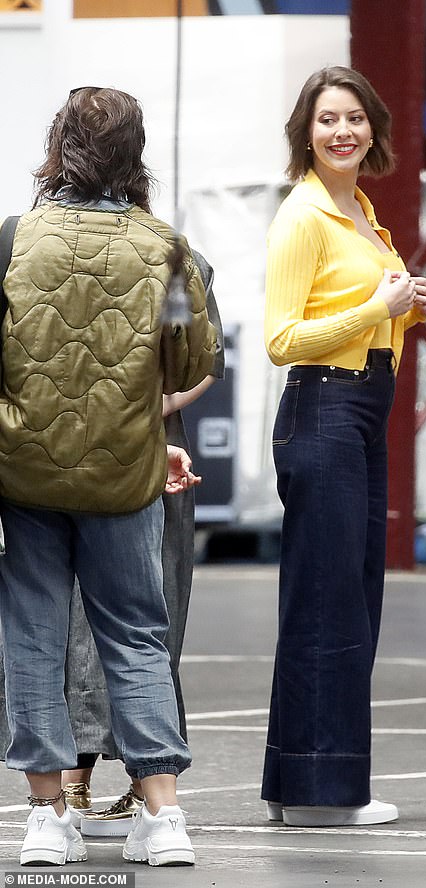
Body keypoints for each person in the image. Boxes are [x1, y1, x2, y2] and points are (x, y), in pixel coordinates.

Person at [0, 86, 217, 867]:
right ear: (137, 154)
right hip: (127, 473)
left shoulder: (15, 237)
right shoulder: (165, 248)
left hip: (23, 473)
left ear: (58, 145)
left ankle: (47, 819)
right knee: (135, 635)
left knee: (31, 635)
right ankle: (163, 819)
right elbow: (193, 358)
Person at [261, 66, 426, 827]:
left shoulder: (360, 210)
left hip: (364, 407)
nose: (343, 132)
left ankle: (304, 783)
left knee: (351, 596)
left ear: (375, 130)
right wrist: (378, 303)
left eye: (356, 119)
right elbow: (282, 340)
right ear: (307, 130)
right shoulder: (303, 216)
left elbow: (366, 318)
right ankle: (316, 795)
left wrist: (404, 314)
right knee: (331, 602)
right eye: (329, 119)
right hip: (325, 408)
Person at [52, 251, 225, 839]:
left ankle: (140, 785)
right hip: (77, 449)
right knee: (81, 618)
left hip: (148, 451)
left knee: (150, 612)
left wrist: (154, 405)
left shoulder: (180, 259)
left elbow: (208, 357)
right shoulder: (52, 251)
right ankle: (76, 781)